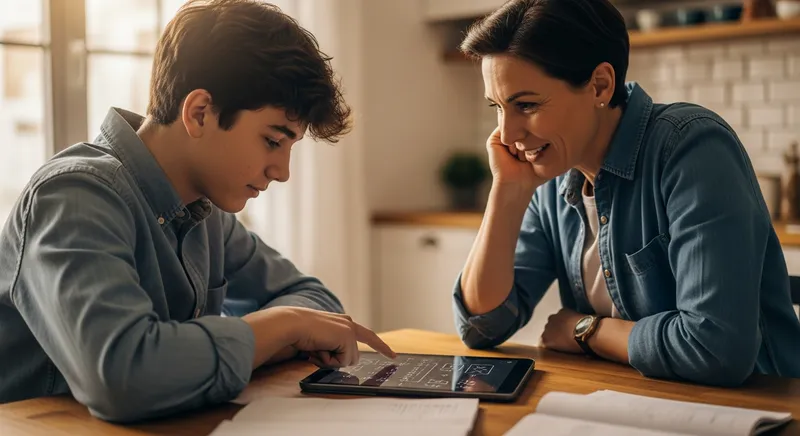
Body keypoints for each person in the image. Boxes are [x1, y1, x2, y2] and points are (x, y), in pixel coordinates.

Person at [0, 0, 394, 422]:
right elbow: (124, 378)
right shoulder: (74, 195)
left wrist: (198, 351)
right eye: (273, 141)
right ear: (199, 112)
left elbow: (317, 303)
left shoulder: (206, 212)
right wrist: (283, 328)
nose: (282, 172)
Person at [452, 0, 800, 387]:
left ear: (600, 84)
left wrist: (586, 331)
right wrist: (506, 191)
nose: (509, 135)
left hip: (756, 408)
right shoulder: (549, 175)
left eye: (527, 105)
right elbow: (482, 326)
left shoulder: (690, 147)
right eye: (497, 107)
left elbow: (715, 350)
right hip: (626, 399)